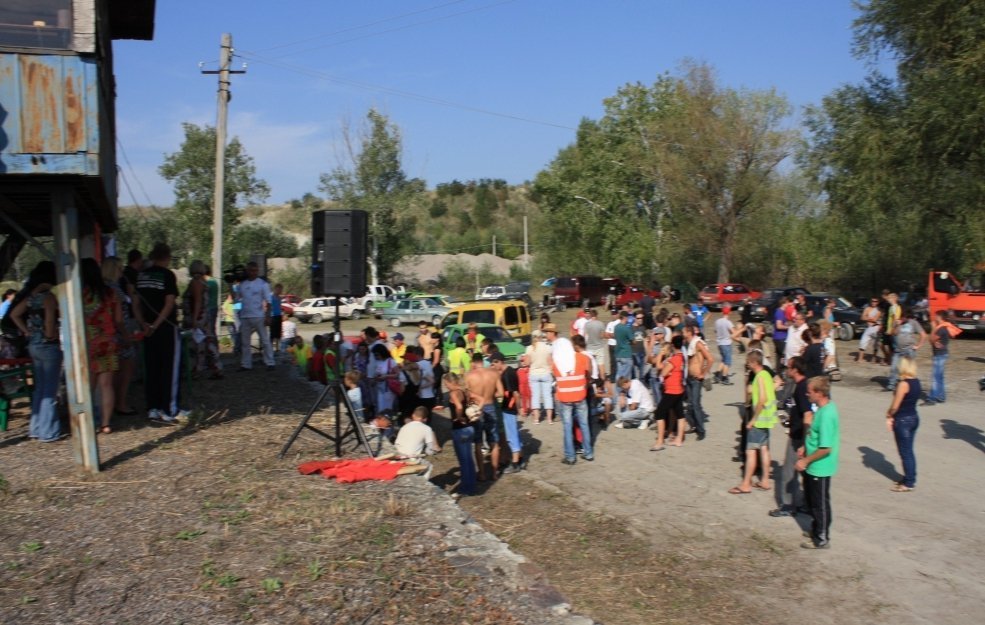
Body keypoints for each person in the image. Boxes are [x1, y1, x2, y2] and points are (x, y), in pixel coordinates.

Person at [10, 261, 62, 442]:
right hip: (48, 346)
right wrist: (50, 335)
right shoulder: (49, 297)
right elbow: (50, 320)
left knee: (40, 388)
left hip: (33, 345)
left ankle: (36, 427)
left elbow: (14, 314)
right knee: (50, 390)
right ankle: (48, 431)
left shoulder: (30, 296)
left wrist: (26, 331)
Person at [137, 243, 183, 423]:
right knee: (169, 369)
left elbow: (136, 302)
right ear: (167, 257)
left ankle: (153, 407)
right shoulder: (167, 275)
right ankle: (170, 409)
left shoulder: (142, 275)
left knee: (152, 368)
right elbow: (169, 303)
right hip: (166, 328)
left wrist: (144, 324)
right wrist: (156, 325)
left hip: (147, 329)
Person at [796, 376, 840, 549]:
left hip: (820, 467)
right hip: (814, 465)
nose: (807, 394)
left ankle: (822, 538)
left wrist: (805, 461)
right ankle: (816, 529)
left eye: (810, 392)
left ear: (820, 393)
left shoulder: (827, 414)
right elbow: (815, 436)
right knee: (813, 501)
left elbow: (825, 448)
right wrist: (805, 447)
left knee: (819, 504)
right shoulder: (822, 409)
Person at [81, 258, 122, 434]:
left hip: (89, 342)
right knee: (107, 385)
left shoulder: (80, 294)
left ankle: (87, 421)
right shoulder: (111, 293)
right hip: (108, 341)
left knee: (88, 386)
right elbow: (118, 320)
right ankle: (106, 423)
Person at [769, 356, 812, 518]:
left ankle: (787, 505)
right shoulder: (802, 385)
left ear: (795, 370)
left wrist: (805, 442)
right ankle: (807, 503)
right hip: (799, 434)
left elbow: (808, 415)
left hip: (798, 437)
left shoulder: (801, 388)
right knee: (805, 472)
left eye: (789, 367)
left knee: (789, 472)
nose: (786, 370)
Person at [730, 350, 777, 495]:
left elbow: (762, 399)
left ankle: (745, 484)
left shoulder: (759, 377)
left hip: (759, 421)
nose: (747, 365)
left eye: (748, 362)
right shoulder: (766, 374)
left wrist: (753, 419)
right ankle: (765, 481)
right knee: (764, 449)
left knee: (750, 451)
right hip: (767, 420)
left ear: (755, 362)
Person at [102, 257, 139, 416]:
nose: (122, 271)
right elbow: (118, 319)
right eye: (119, 268)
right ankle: (121, 403)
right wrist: (126, 335)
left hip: (107, 334)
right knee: (126, 370)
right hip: (119, 334)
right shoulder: (115, 290)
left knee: (113, 373)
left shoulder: (102, 288)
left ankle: (115, 403)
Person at [552, 337, 594, 464]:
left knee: (567, 426)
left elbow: (556, 377)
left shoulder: (556, 362)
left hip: (565, 398)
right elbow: (588, 373)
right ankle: (588, 453)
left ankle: (570, 456)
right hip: (580, 395)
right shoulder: (582, 358)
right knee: (584, 424)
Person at [465, 353, 504, 480]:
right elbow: (501, 393)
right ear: (482, 361)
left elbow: (467, 396)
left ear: (473, 362)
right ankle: (494, 473)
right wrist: (491, 395)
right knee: (493, 441)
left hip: (477, 408)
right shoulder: (493, 373)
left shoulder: (469, 375)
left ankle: (481, 474)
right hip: (490, 406)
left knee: (478, 442)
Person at [887, 357, 920, 492]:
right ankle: (909, 477)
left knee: (905, 452)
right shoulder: (916, 382)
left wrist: (889, 414)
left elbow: (895, 406)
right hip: (913, 417)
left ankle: (909, 483)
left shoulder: (903, 384)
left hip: (903, 421)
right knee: (909, 451)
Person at [186, 260, 223, 380]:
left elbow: (197, 301)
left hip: (198, 317)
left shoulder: (195, 282)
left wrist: (194, 318)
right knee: (207, 342)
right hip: (204, 317)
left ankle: (197, 369)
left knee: (198, 344)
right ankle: (215, 368)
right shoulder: (203, 281)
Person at [237, 261, 275, 371]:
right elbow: (237, 299)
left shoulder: (263, 284)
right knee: (245, 342)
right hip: (245, 316)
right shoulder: (242, 284)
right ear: (247, 271)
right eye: (251, 270)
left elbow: (268, 301)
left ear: (257, 271)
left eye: (255, 271)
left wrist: (268, 316)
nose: (253, 273)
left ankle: (270, 362)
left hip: (259, 316)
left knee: (265, 340)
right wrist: (238, 313)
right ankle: (246, 364)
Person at [490, 352, 524, 474]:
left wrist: (519, 408)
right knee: (515, 434)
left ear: (499, 362)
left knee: (511, 436)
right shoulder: (507, 372)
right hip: (508, 408)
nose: (493, 366)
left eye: (494, 363)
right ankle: (520, 458)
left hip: (509, 409)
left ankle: (515, 464)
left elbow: (515, 393)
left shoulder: (508, 374)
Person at [651, 334, 686, 450]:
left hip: (672, 390)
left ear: (673, 345)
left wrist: (667, 370)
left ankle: (660, 441)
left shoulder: (674, 359)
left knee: (659, 413)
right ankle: (679, 439)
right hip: (679, 389)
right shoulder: (681, 357)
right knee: (680, 414)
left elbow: (663, 372)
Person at [445, 373, 477, 497]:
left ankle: (465, 489)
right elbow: (475, 400)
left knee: (463, 460)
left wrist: (458, 417)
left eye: (446, 383)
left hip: (460, 429)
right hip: (469, 427)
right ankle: (471, 485)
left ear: (450, 382)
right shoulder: (464, 391)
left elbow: (458, 406)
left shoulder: (453, 393)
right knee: (469, 458)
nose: (445, 386)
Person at [683, 323, 711, 441]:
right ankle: (694, 425)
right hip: (689, 378)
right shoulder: (688, 344)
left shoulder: (698, 343)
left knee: (695, 404)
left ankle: (701, 431)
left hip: (696, 379)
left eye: (684, 332)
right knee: (690, 404)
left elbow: (710, 359)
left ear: (689, 333)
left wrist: (703, 373)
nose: (683, 333)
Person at [887, 307, 926, 391]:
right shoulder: (897, 322)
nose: (903, 319)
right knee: (894, 367)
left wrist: (918, 346)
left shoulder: (913, 322)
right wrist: (896, 325)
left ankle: (910, 385)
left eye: (905, 317)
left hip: (909, 349)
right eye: (902, 317)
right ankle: (891, 384)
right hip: (898, 349)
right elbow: (893, 334)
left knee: (909, 369)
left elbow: (923, 334)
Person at [525, 329, 554, 424]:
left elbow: (527, 363)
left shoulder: (529, 348)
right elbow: (550, 362)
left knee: (535, 396)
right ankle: (549, 419)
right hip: (546, 373)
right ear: (541, 336)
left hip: (534, 374)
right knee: (547, 396)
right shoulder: (547, 347)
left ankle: (536, 419)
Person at [925, 310, 954, 405]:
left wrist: (933, 328)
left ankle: (932, 398)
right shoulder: (944, 327)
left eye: (936, 316)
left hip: (939, 355)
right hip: (942, 354)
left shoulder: (941, 329)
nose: (935, 318)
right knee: (940, 377)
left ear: (940, 317)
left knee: (935, 377)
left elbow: (931, 339)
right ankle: (941, 396)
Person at [714, 305, 737, 384]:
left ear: (722, 312)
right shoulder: (728, 322)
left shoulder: (717, 321)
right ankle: (724, 378)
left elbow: (715, 331)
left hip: (719, 343)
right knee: (727, 362)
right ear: (729, 312)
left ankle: (717, 375)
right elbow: (734, 332)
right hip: (726, 343)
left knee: (723, 360)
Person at [269, 283, 284, 353]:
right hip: (273, 316)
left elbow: (279, 306)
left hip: (279, 316)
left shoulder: (279, 297)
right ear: (276, 289)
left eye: (281, 290)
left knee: (278, 333)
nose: (280, 291)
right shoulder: (270, 296)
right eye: (279, 289)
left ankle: (277, 348)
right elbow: (268, 306)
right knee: (272, 333)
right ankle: (270, 348)